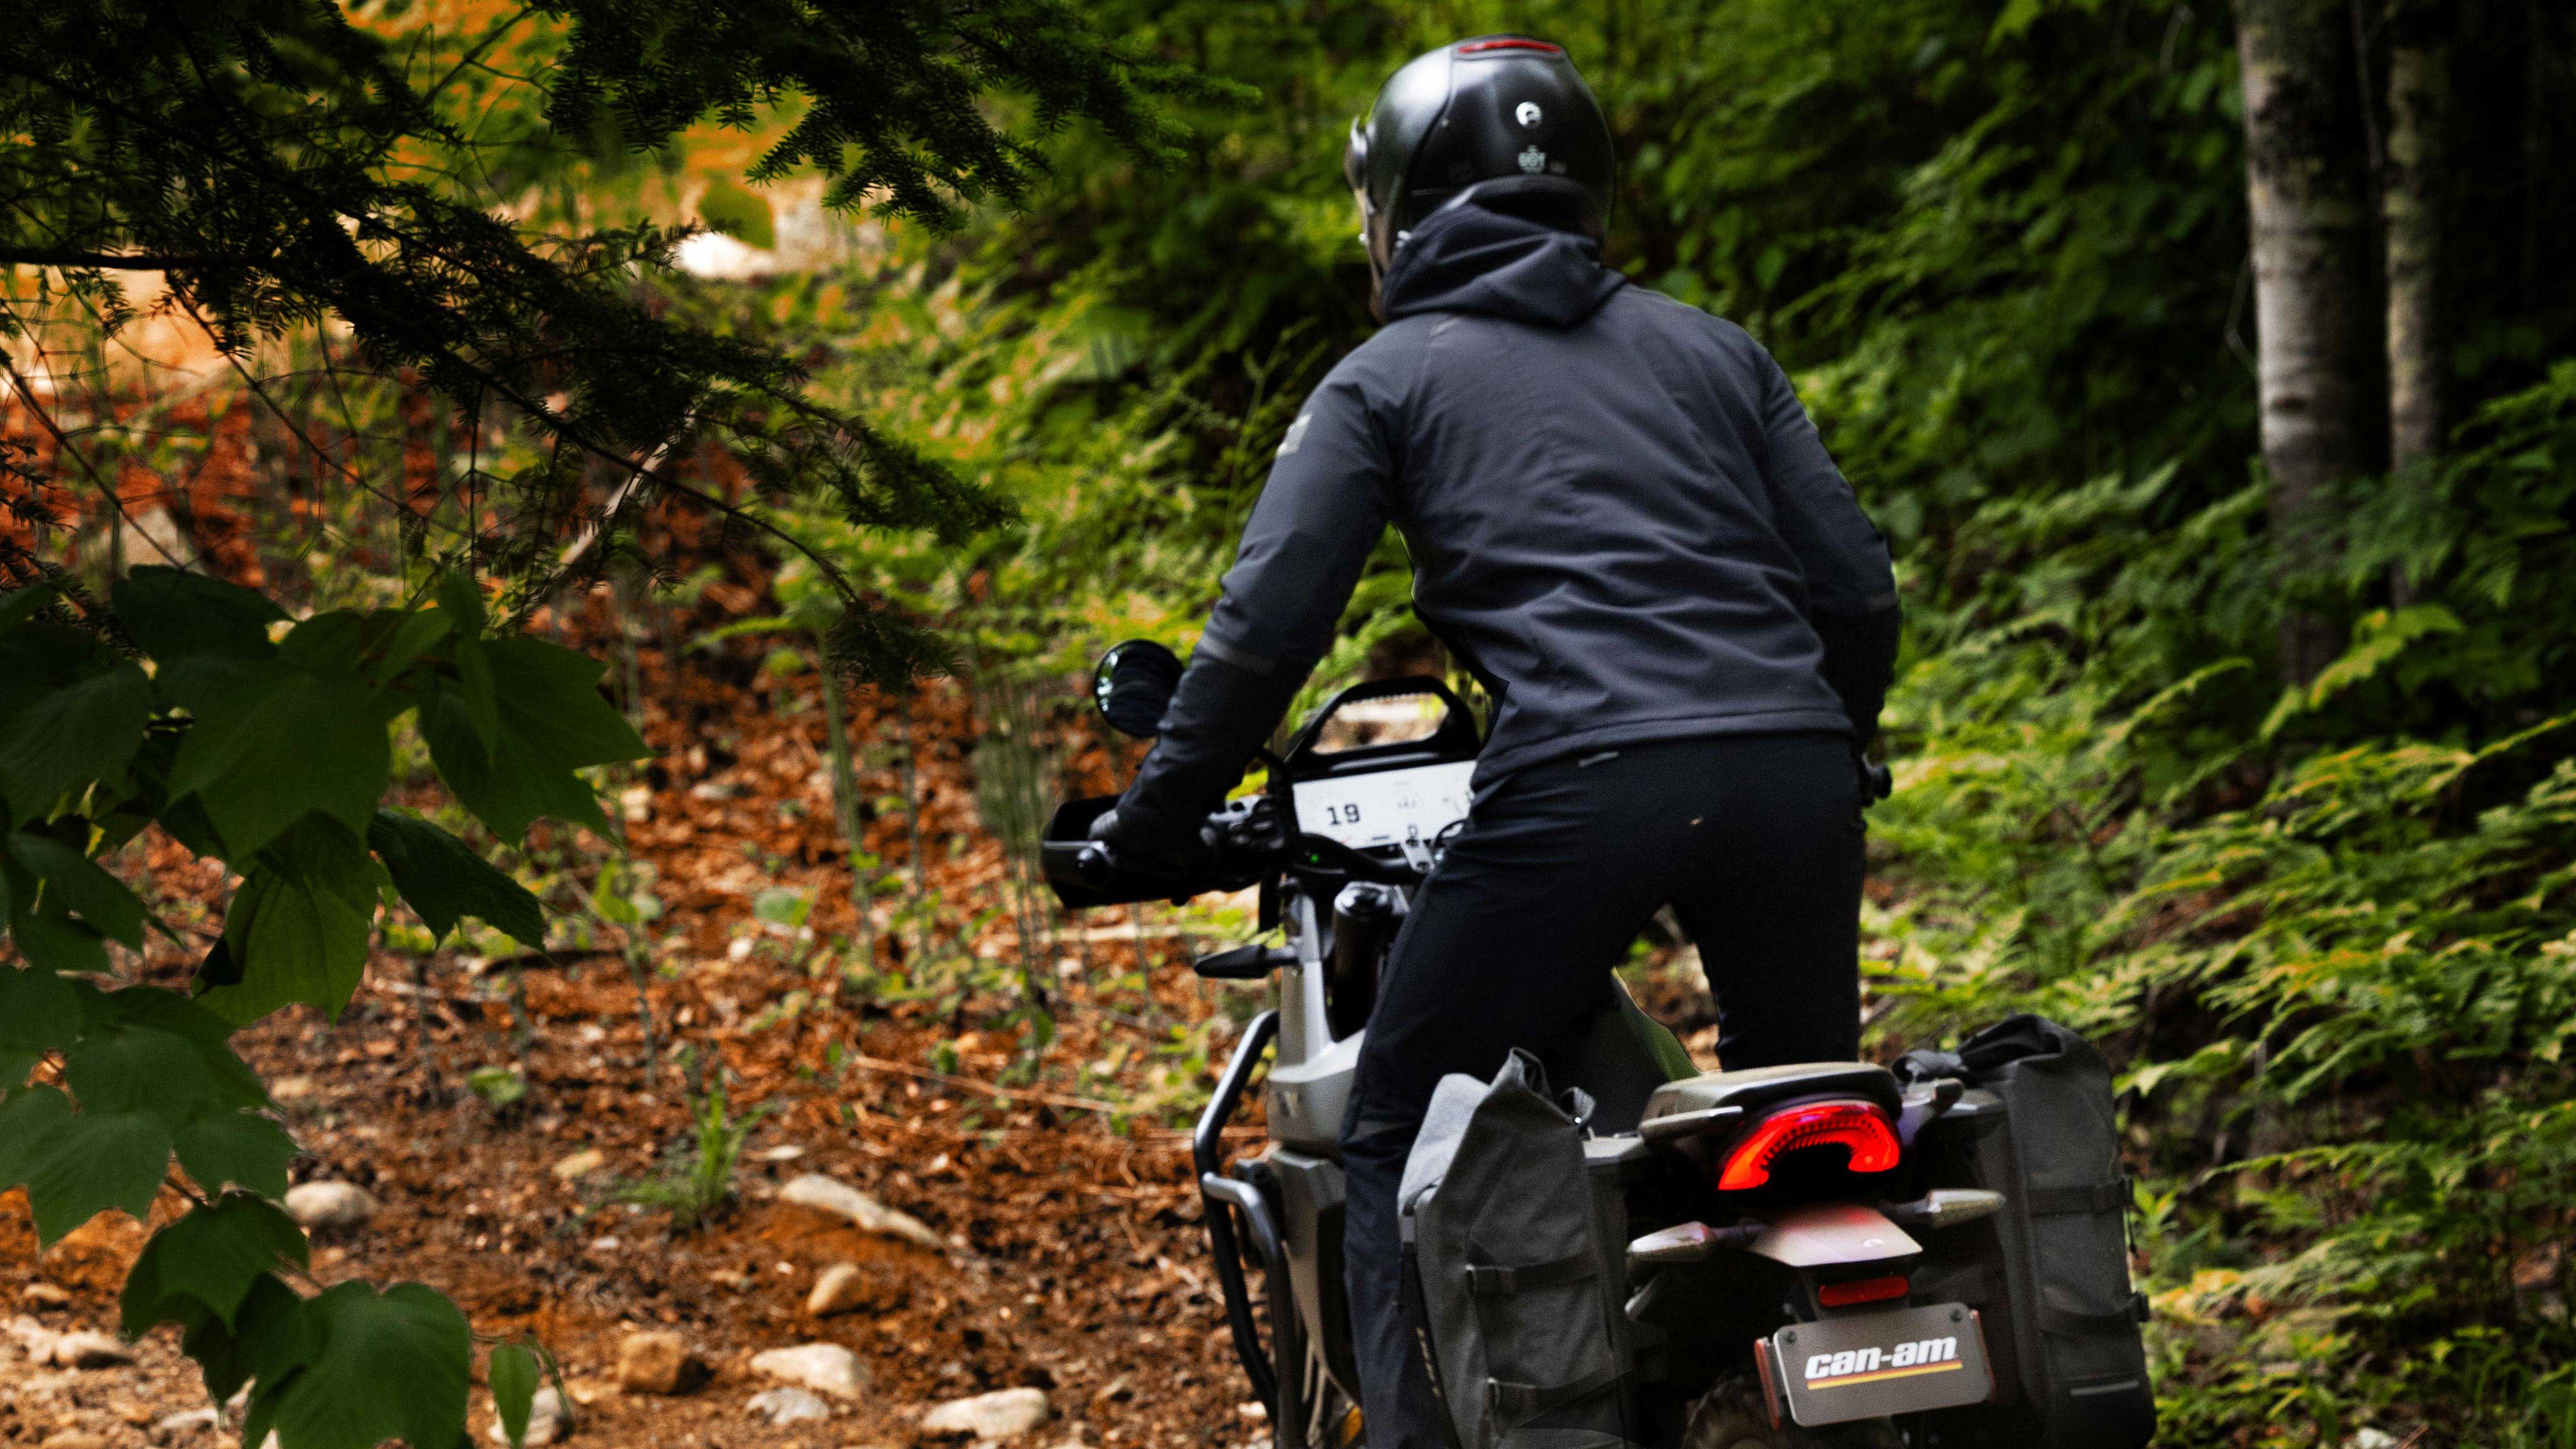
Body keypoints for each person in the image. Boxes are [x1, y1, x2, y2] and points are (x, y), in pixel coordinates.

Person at [1092, 35, 1901, 1449]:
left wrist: (1151, 823)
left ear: (1394, 210)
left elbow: (1261, 639)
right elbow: (1852, 589)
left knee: (1401, 1131)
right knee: (1798, 1126)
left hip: (1579, 780)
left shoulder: (1386, 377)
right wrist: (1840, 744)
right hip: (1790, 773)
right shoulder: (1716, 350)